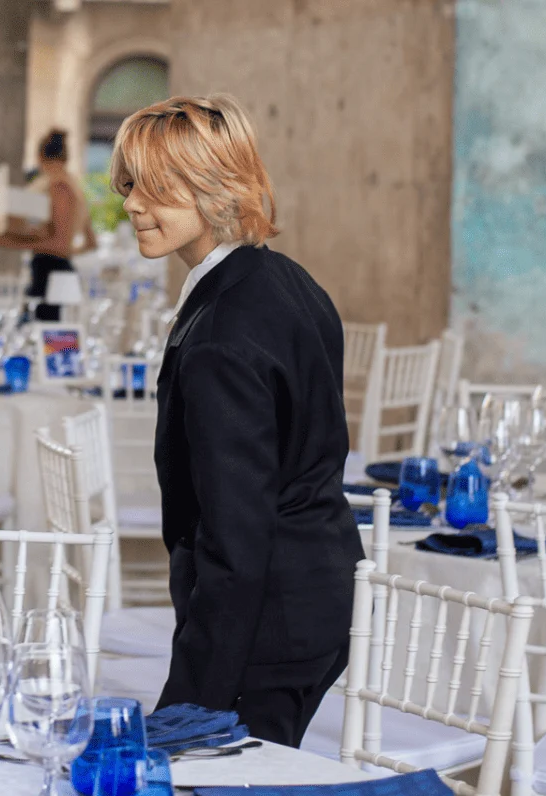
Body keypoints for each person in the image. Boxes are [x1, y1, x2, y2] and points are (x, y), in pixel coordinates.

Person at [110, 94, 361, 747]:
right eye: (131, 184)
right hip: (317, 595)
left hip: (264, 624)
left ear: (215, 191)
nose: (133, 204)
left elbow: (235, 538)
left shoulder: (221, 334)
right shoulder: (289, 281)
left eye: (158, 188)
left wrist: (189, 703)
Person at [0, 129, 88, 321]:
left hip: (52, 275)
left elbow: (60, 244)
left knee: (48, 337)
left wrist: (10, 242)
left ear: (39, 156)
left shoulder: (58, 187)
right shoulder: (71, 187)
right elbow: (86, 242)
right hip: (54, 270)